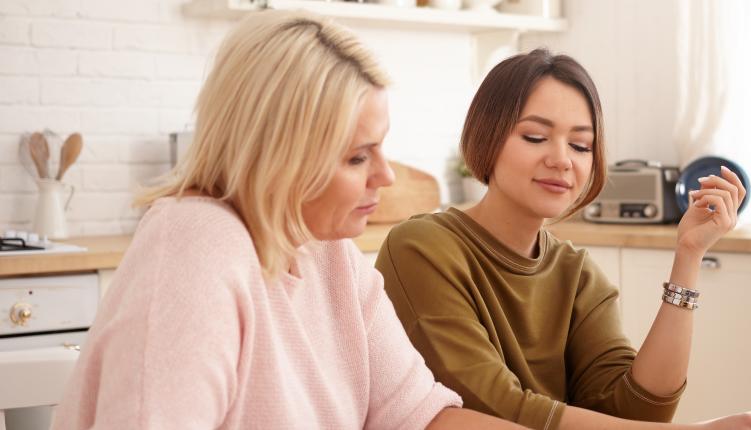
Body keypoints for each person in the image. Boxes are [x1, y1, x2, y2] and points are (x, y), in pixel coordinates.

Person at [52, 10, 523, 430]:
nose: (386, 175)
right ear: (280, 157)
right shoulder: (194, 248)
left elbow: (420, 416)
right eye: (357, 157)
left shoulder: (328, 251)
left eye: (379, 147)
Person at [375, 49, 751, 430]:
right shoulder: (421, 248)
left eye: (580, 145)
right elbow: (496, 408)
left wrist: (689, 255)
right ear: (487, 137)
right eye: (535, 137)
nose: (562, 159)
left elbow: (638, 411)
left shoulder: (577, 273)